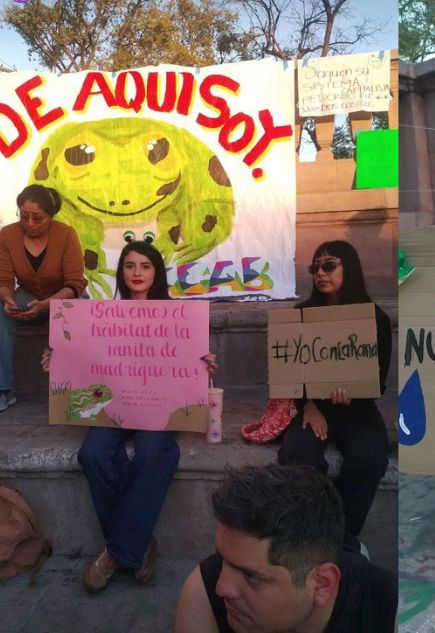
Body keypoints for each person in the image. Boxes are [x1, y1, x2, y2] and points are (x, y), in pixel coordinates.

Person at [40, 237, 217, 592]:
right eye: (130, 266)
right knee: (92, 453)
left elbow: (192, 368)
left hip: (159, 406)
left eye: (145, 266)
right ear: (121, 272)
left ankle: (114, 553)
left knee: (156, 451)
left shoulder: (180, 316)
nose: (137, 273)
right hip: (113, 405)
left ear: (157, 272)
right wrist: (56, 362)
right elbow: (81, 359)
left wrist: (207, 365)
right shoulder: (101, 316)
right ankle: (137, 544)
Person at [174, 464, 398, 633]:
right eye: (222, 558)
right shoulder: (203, 592)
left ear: (322, 583)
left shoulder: (392, 610)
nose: (221, 588)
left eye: (251, 576)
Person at [277, 241, 391, 554]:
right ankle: (312, 528)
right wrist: (309, 406)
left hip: (358, 408)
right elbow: (289, 371)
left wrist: (353, 392)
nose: (320, 273)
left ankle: (338, 538)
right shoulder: (300, 315)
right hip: (312, 406)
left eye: (330, 265)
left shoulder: (375, 318)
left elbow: (378, 379)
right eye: (315, 267)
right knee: (298, 455)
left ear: (349, 268)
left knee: (369, 458)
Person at [0, 185, 86, 412]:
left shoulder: (66, 234)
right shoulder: (7, 235)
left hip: (65, 294)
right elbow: (4, 280)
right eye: (24, 216)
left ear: (51, 215)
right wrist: (8, 300)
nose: (30, 224)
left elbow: (75, 283)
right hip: (29, 295)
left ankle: (78, 387)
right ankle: (4, 388)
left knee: (81, 313)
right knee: (0, 309)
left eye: (38, 218)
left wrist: (46, 305)